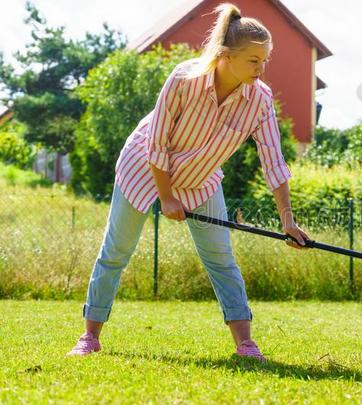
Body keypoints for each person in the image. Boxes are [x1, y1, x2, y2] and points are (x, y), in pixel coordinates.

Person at [67, 2, 311, 361]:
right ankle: (90, 337)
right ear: (226, 56)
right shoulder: (184, 79)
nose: (262, 69)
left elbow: (273, 160)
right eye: (253, 60)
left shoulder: (258, 100)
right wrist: (166, 197)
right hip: (145, 167)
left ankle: (245, 344)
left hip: (200, 177)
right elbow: (158, 142)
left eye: (265, 60)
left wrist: (287, 220)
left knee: (220, 257)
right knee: (116, 252)